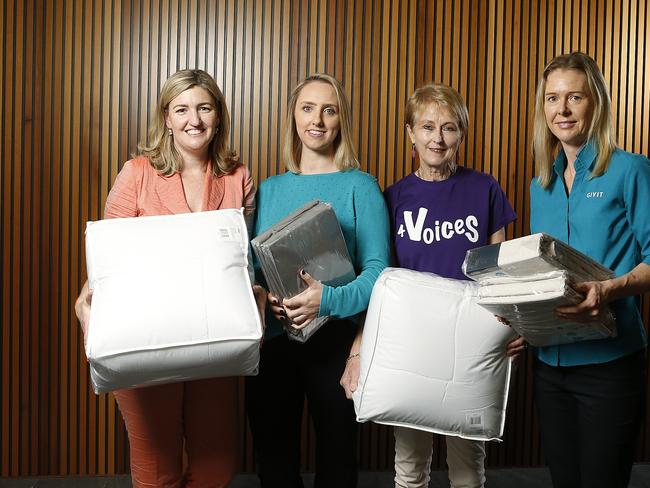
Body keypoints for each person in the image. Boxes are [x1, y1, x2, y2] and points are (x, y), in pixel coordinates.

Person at [75, 69, 264, 488]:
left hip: (216, 337)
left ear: (218, 115)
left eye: (204, 108)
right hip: (145, 339)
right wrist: (85, 301)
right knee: (157, 468)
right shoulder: (136, 173)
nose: (193, 120)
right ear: (166, 118)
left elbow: (243, 257)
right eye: (181, 109)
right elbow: (110, 262)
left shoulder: (239, 177)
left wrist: (258, 296)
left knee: (216, 466)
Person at [340, 83, 523, 488]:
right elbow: (380, 283)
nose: (437, 139)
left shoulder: (484, 188)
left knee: (467, 470)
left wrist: (514, 326)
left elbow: (501, 273)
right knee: (409, 468)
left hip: (472, 345)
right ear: (410, 133)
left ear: (462, 134)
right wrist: (358, 348)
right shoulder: (392, 198)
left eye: (449, 128)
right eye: (426, 127)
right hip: (411, 348)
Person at [246, 73, 391, 488]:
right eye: (308, 108)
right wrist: (269, 298)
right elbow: (254, 270)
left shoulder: (360, 186)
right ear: (294, 116)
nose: (318, 120)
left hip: (336, 342)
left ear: (341, 119)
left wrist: (326, 300)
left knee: (338, 459)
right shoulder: (270, 190)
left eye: (329, 110)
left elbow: (379, 273)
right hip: (274, 342)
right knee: (273, 461)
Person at [528, 52, 650, 488]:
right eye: (552, 98)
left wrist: (612, 288)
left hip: (609, 365)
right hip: (550, 366)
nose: (561, 110)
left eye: (573, 97)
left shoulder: (630, 170)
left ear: (594, 102)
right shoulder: (539, 185)